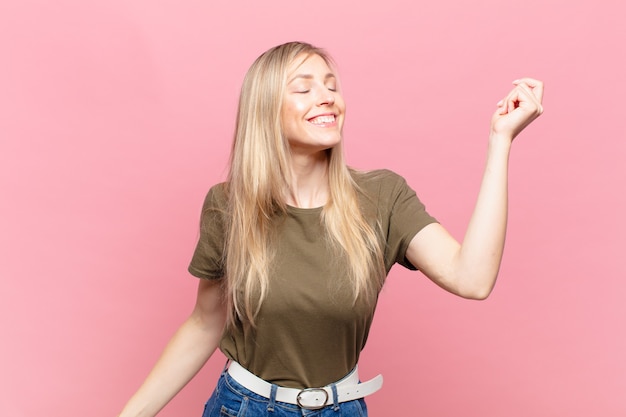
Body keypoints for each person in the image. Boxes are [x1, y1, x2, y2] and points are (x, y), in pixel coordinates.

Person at [117, 41, 544, 417]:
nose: (327, 98)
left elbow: (472, 278)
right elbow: (205, 322)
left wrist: (500, 141)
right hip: (243, 408)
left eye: (332, 86)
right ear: (265, 109)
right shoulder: (228, 207)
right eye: (303, 88)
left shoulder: (382, 197)